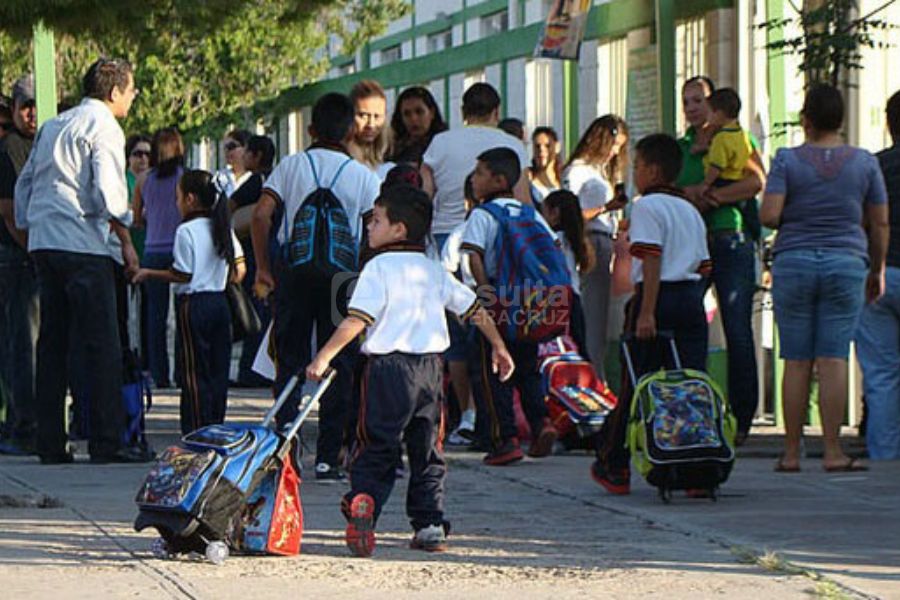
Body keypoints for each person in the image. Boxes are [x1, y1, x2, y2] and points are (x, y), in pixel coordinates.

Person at [306, 184, 514, 557]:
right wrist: (498, 346)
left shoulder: (377, 267)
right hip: (430, 371)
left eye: (376, 220)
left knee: (377, 443)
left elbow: (357, 319)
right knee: (428, 447)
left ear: (398, 229)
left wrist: (323, 356)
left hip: (386, 371)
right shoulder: (433, 270)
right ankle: (429, 523)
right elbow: (473, 308)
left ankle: (365, 500)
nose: (369, 226)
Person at [14, 58, 146, 464]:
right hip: (83, 241)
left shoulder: (54, 125)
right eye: (130, 90)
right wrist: (124, 223)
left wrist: (29, 225)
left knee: (51, 344)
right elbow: (108, 190)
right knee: (102, 343)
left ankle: (50, 442)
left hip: (44, 240)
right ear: (114, 92)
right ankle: (107, 441)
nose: (132, 97)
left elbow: (26, 183)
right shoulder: (103, 126)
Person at [251, 92, 381, 481]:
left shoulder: (291, 166)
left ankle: (284, 451)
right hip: (342, 279)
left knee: (289, 359)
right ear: (350, 131)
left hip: (294, 274)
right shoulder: (363, 175)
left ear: (310, 130)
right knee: (338, 363)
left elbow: (260, 215)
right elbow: (373, 231)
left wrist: (263, 268)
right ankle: (328, 458)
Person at [761, 84, 887, 473]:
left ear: (806, 119)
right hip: (846, 262)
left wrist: (798, 213)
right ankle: (833, 451)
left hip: (794, 262)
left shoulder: (786, 160)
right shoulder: (865, 162)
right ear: (841, 119)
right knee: (833, 358)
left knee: (796, 359)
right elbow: (880, 221)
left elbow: (769, 215)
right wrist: (877, 269)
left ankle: (791, 453)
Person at [591, 133, 712, 495]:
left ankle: (614, 463)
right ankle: (696, 471)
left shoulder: (646, 206)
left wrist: (647, 312)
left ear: (654, 171)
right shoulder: (690, 210)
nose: (635, 174)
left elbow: (652, 259)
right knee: (689, 382)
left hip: (656, 298)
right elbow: (705, 266)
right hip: (690, 298)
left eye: (639, 166)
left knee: (637, 381)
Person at [676, 76, 766, 445]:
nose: (692, 108)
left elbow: (756, 182)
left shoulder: (736, 138)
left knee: (737, 328)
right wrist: (693, 194)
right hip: (692, 243)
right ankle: (690, 409)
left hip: (730, 238)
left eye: (699, 100)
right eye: (687, 101)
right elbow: (671, 191)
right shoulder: (680, 147)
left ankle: (742, 418)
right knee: (686, 322)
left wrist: (713, 196)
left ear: (716, 105)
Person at [462, 147, 562, 465]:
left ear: (499, 180)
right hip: (529, 302)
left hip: (498, 297)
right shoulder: (529, 213)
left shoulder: (482, 214)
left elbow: (474, 255)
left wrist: (485, 295)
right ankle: (541, 422)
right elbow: (554, 247)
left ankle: (504, 439)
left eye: (480, 173)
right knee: (528, 368)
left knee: (491, 371)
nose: (473, 179)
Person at [134, 170, 245, 434]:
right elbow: (240, 269)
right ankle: (216, 424)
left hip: (194, 304)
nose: (177, 203)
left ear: (191, 199)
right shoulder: (223, 227)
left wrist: (149, 273)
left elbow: (182, 274)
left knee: (194, 371)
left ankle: (196, 427)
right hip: (220, 302)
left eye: (178, 197)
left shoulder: (186, 231)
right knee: (218, 370)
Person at [422, 82, 531, 250]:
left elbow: (425, 196)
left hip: (446, 232)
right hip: (497, 234)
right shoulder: (513, 145)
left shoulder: (439, 142)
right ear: (496, 112)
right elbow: (522, 199)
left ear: (463, 111)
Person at [562, 114, 629, 379]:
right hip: (589, 240)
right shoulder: (578, 171)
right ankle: (590, 375)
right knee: (592, 316)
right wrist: (605, 208)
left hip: (605, 239)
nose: (615, 153)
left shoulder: (600, 172)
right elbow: (570, 214)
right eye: (614, 145)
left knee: (600, 317)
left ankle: (595, 372)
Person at [857, 90, 900, 460]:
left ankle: (884, 455)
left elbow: (861, 221)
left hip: (878, 274)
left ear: (889, 124)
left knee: (882, 374)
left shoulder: (875, 166)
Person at [0, 75, 38, 455]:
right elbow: (9, 211)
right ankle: (23, 424)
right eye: (25, 106)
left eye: (37, 106)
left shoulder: (41, 143)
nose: (32, 114)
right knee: (22, 343)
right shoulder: (12, 147)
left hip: (27, 254)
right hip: (17, 256)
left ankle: (22, 421)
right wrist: (32, 249)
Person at [132, 128, 185, 389]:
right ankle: (182, 372)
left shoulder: (144, 180)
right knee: (183, 313)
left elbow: (136, 218)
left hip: (152, 251)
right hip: (180, 250)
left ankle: (159, 373)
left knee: (155, 317)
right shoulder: (184, 179)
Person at [230, 134, 276, 388]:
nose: (243, 156)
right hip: (272, 254)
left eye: (247, 152)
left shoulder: (255, 182)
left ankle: (249, 371)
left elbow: (229, 206)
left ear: (257, 156)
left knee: (252, 314)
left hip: (252, 257)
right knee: (266, 314)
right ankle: (263, 369)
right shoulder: (276, 180)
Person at [541, 189, 594, 357]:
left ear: (555, 213)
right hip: (574, 299)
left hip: (559, 300)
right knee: (578, 349)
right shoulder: (574, 240)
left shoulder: (552, 240)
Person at [387, 86, 448, 165]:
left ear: (432, 113)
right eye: (407, 114)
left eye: (419, 112)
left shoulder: (444, 145)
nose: (413, 119)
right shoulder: (392, 149)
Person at [349, 80, 391, 178]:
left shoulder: (391, 153)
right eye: (363, 115)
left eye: (377, 116)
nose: (371, 124)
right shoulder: (340, 157)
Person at [528, 126, 562, 204]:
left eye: (547, 146)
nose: (541, 150)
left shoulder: (564, 177)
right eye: (537, 146)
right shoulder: (527, 178)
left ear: (557, 147)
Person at [218, 129, 252, 198]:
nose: (226, 151)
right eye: (225, 147)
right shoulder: (219, 177)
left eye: (231, 146)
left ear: (246, 147)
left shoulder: (256, 178)